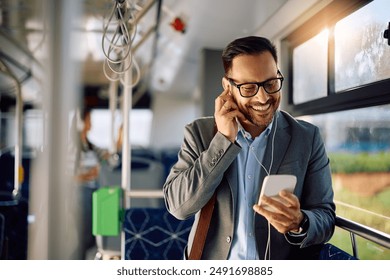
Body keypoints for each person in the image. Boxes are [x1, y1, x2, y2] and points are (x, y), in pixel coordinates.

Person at [163, 36, 335, 260]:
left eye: (271, 83)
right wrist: (223, 140)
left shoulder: (307, 137)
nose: (263, 97)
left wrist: (300, 222)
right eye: (249, 88)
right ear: (228, 87)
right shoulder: (199, 132)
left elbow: (326, 217)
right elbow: (179, 207)